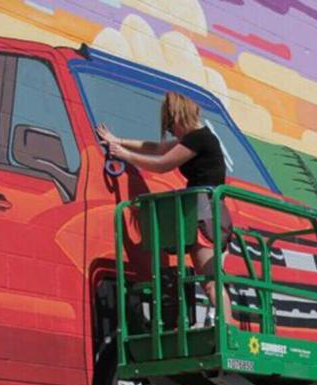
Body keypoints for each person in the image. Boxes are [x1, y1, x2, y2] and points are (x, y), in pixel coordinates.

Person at [96, 92, 227, 309]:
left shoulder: (198, 138)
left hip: (205, 210)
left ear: (177, 117)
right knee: (209, 281)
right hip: (204, 208)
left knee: (211, 281)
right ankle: (225, 328)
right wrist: (118, 141)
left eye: (169, 125)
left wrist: (124, 154)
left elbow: (162, 164)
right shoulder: (196, 138)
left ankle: (227, 330)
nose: (169, 131)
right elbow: (155, 148)